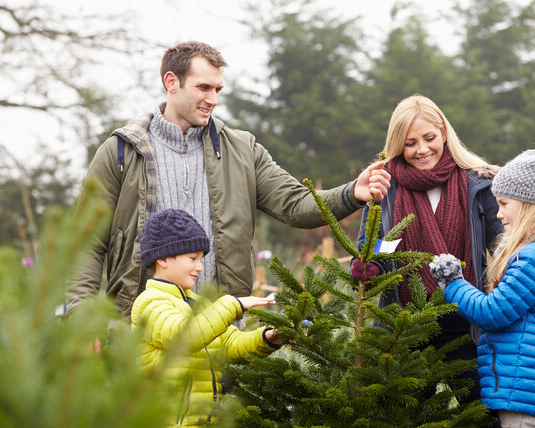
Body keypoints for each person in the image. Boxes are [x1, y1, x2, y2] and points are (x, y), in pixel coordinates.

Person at [66, 41, 390, 317]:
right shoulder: (120, 152)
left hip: (221, 333)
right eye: (204, 87)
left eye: (218, 89)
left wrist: (352, 193)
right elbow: (86, 243)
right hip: (140, 334)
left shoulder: (243, 150)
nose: (213, 99)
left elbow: (295, 204)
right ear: (171, 82)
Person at [429, 134, 535, 428]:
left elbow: (492, 313)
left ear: (529, 205)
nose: (498, 213)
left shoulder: (534, 257)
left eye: (504, 204)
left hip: (523, 384)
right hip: (525, 382)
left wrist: (453, 282)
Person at [350, 94, 503, 403]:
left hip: (468, 327)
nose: (422, 149)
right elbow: (374, 244)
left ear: (444, 133)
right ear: (397, 145)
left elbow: (504, 248)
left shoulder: (479, 182)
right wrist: (371, 264)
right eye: (410, 143)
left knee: (481, 418)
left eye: (429, 138)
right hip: (406, 329)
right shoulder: (385, 187)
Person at [131, 208, 281, 428]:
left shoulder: (197, 303)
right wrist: (234, 304)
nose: (200, 267)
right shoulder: (149, 303)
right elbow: (184, 337)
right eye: (192, 259)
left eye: (201, 259)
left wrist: (268, 338)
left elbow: (231, 343)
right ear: (162, 258)